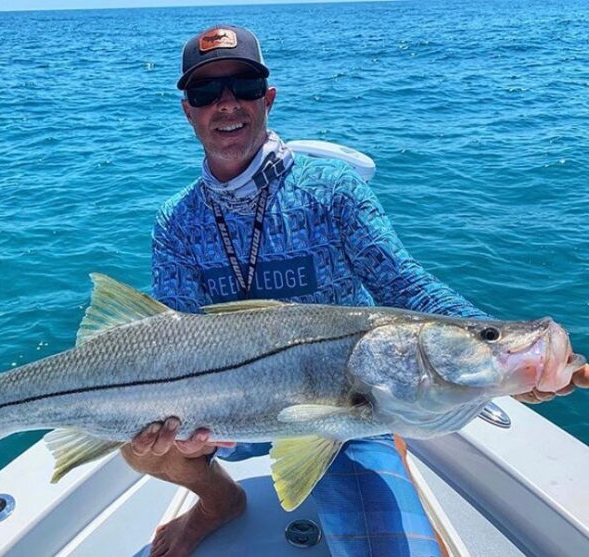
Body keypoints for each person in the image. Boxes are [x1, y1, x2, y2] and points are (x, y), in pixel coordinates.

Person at [120, 24, 589, 557]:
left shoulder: (331, 192)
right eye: (206, 93)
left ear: (267, 99)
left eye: (243, 87)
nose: (226, 105)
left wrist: (497, 349)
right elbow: (171, 336)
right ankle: (216, 502)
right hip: (227, 408)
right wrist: (177, 429)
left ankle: (388, 442)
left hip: (351, 406)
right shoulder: (177, 221)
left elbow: (406, 285)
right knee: (142, 450)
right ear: (189, 111)